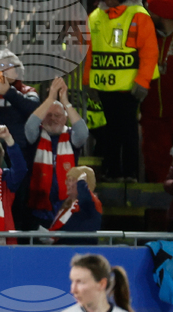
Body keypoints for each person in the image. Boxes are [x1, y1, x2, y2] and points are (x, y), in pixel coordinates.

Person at [85, 0, 159, 181]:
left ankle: (128, 173)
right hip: (104, 86)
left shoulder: (138, 14)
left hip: (129, 87)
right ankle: (112, 171)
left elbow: (149, 51)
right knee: (109, 131)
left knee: (127, 130)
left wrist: (143, 81)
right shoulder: (95, 16)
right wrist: (87, 81)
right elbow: (88, 51)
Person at [26, 78, 89, 230]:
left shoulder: (71, 136)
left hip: (66, 208)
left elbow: (82, 132)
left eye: (57, 115)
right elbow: (30, 125)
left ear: (65, 118)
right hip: (38, 210)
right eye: (48, 115)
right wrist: (50, 99)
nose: (52, 119)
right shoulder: (36, 136)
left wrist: (65, 101)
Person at [141, 0, 173, 183]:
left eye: (152, 11)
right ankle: (156, 212)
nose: (148, 14)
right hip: (152, 115)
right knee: (154, 165)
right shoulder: (147, 36)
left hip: (166, 113)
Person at [49, 167, 103, 243]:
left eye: (71, 180)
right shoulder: (66, 205)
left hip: (81, 251)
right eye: (67, 180)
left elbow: (85, 198)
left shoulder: (91, 204)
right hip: (63, 250)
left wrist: (81, 182)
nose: (66, 183)